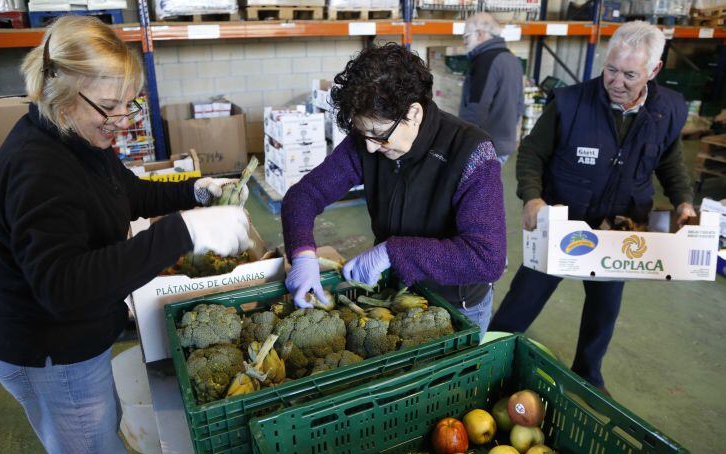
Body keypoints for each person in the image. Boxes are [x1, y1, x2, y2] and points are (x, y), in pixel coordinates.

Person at [0, 16, 250, 454]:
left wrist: (193, 191)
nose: (122, 121)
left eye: (129, 104)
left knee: (105, 438)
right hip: (51, 352)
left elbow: (124, 191)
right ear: (60, 91)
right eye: (110, 107)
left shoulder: (76, 135)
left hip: (81, 335)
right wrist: (183, 231)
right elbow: (62, 287)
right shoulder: (38, 169)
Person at [490, 21, 696, 393]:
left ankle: (588, 374)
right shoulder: (570, 103)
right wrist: (532, 196)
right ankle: (490, 356)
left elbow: (670, 162)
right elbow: (532, 154)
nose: (617, 82)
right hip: (562, 218)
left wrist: (683, 201)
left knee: (604, 306)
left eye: (630, 74)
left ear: (654, 70)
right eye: (611, 69)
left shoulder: (667, 111)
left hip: (619, 225)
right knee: (526, 294)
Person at [281, 43, 506, 335]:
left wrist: (392, 252)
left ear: (413, 113)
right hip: (391, 297)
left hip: (456, 308)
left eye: (380, 135)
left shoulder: (471, 153)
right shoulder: (367, 142)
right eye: (364, 134)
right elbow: (303, 196)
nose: (371, 147)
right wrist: (302, 254)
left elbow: (486, 259)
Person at [459, 12, 524, 166]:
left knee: (473, 190)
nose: (464, 42)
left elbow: (476, 109)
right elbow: (520, 105)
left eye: (466, 36)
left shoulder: (485, 61)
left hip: (484, 147)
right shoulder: (512, 59)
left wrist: (461, 143)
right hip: (504, 144)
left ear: (480, 34)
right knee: (489, 188)